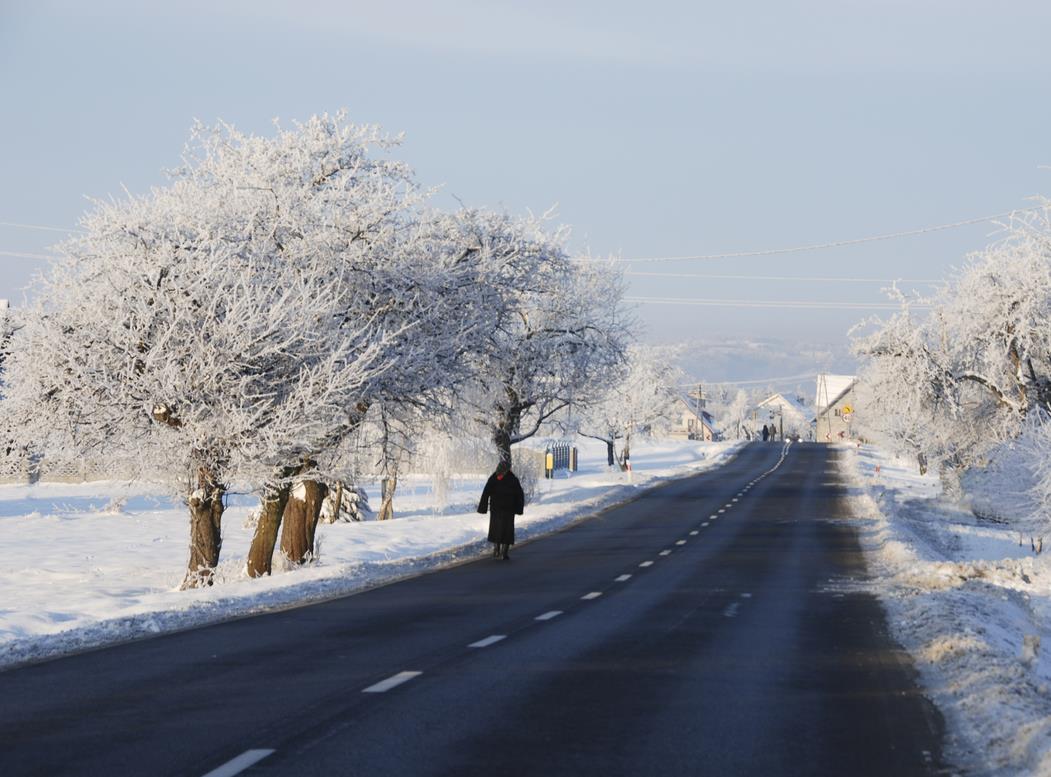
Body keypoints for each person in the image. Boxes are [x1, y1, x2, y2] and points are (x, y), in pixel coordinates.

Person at [478, 460, 525, 560]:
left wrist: (483, 507)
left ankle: (499, 551)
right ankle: (502, 552)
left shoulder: (494, 478)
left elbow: (486, 492)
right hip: (505, 509)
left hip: (499, 509)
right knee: (505, 530)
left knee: (498, 529)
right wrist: (519, 508)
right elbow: (519, 495)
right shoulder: (512, 479)